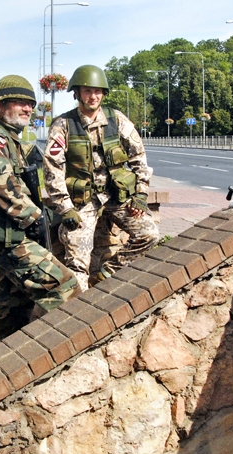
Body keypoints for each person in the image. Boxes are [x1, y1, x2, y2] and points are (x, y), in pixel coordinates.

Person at [0, 75, 78, 346]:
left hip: (10, 235)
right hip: (9, 237)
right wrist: (38, 218)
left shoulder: (11, 140)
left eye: (30, 104)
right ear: (0, 106)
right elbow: (2, 188)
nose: (28, 109)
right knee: (65, 287)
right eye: (19, 103)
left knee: (11, 311)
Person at [43, 65, 160, 291]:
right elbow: (52, 169)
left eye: (97, 91)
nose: (93, 96)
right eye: (87, 91)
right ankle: (82, 313)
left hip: (116, 196)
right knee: (77, 266)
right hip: (81, 202)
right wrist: (65, 208)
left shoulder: (117, 120)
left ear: (103, 93)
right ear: (76, 93)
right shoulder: (63, 125)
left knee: (149, 234)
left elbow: (138, 157)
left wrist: (141, 194)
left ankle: (106, 275)